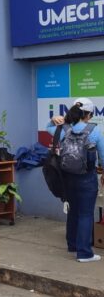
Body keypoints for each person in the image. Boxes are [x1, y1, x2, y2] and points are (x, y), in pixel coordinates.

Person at [48, 97, 104, 262]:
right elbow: (103, 155)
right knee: (86, 214)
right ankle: (84, 253)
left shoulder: (64, 130)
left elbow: (48, 128)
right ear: (88, 115)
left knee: (73, 211)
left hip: (67, 177)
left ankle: (72, 245)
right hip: (87, 177)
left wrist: (53, 119)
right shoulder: (94, 131)